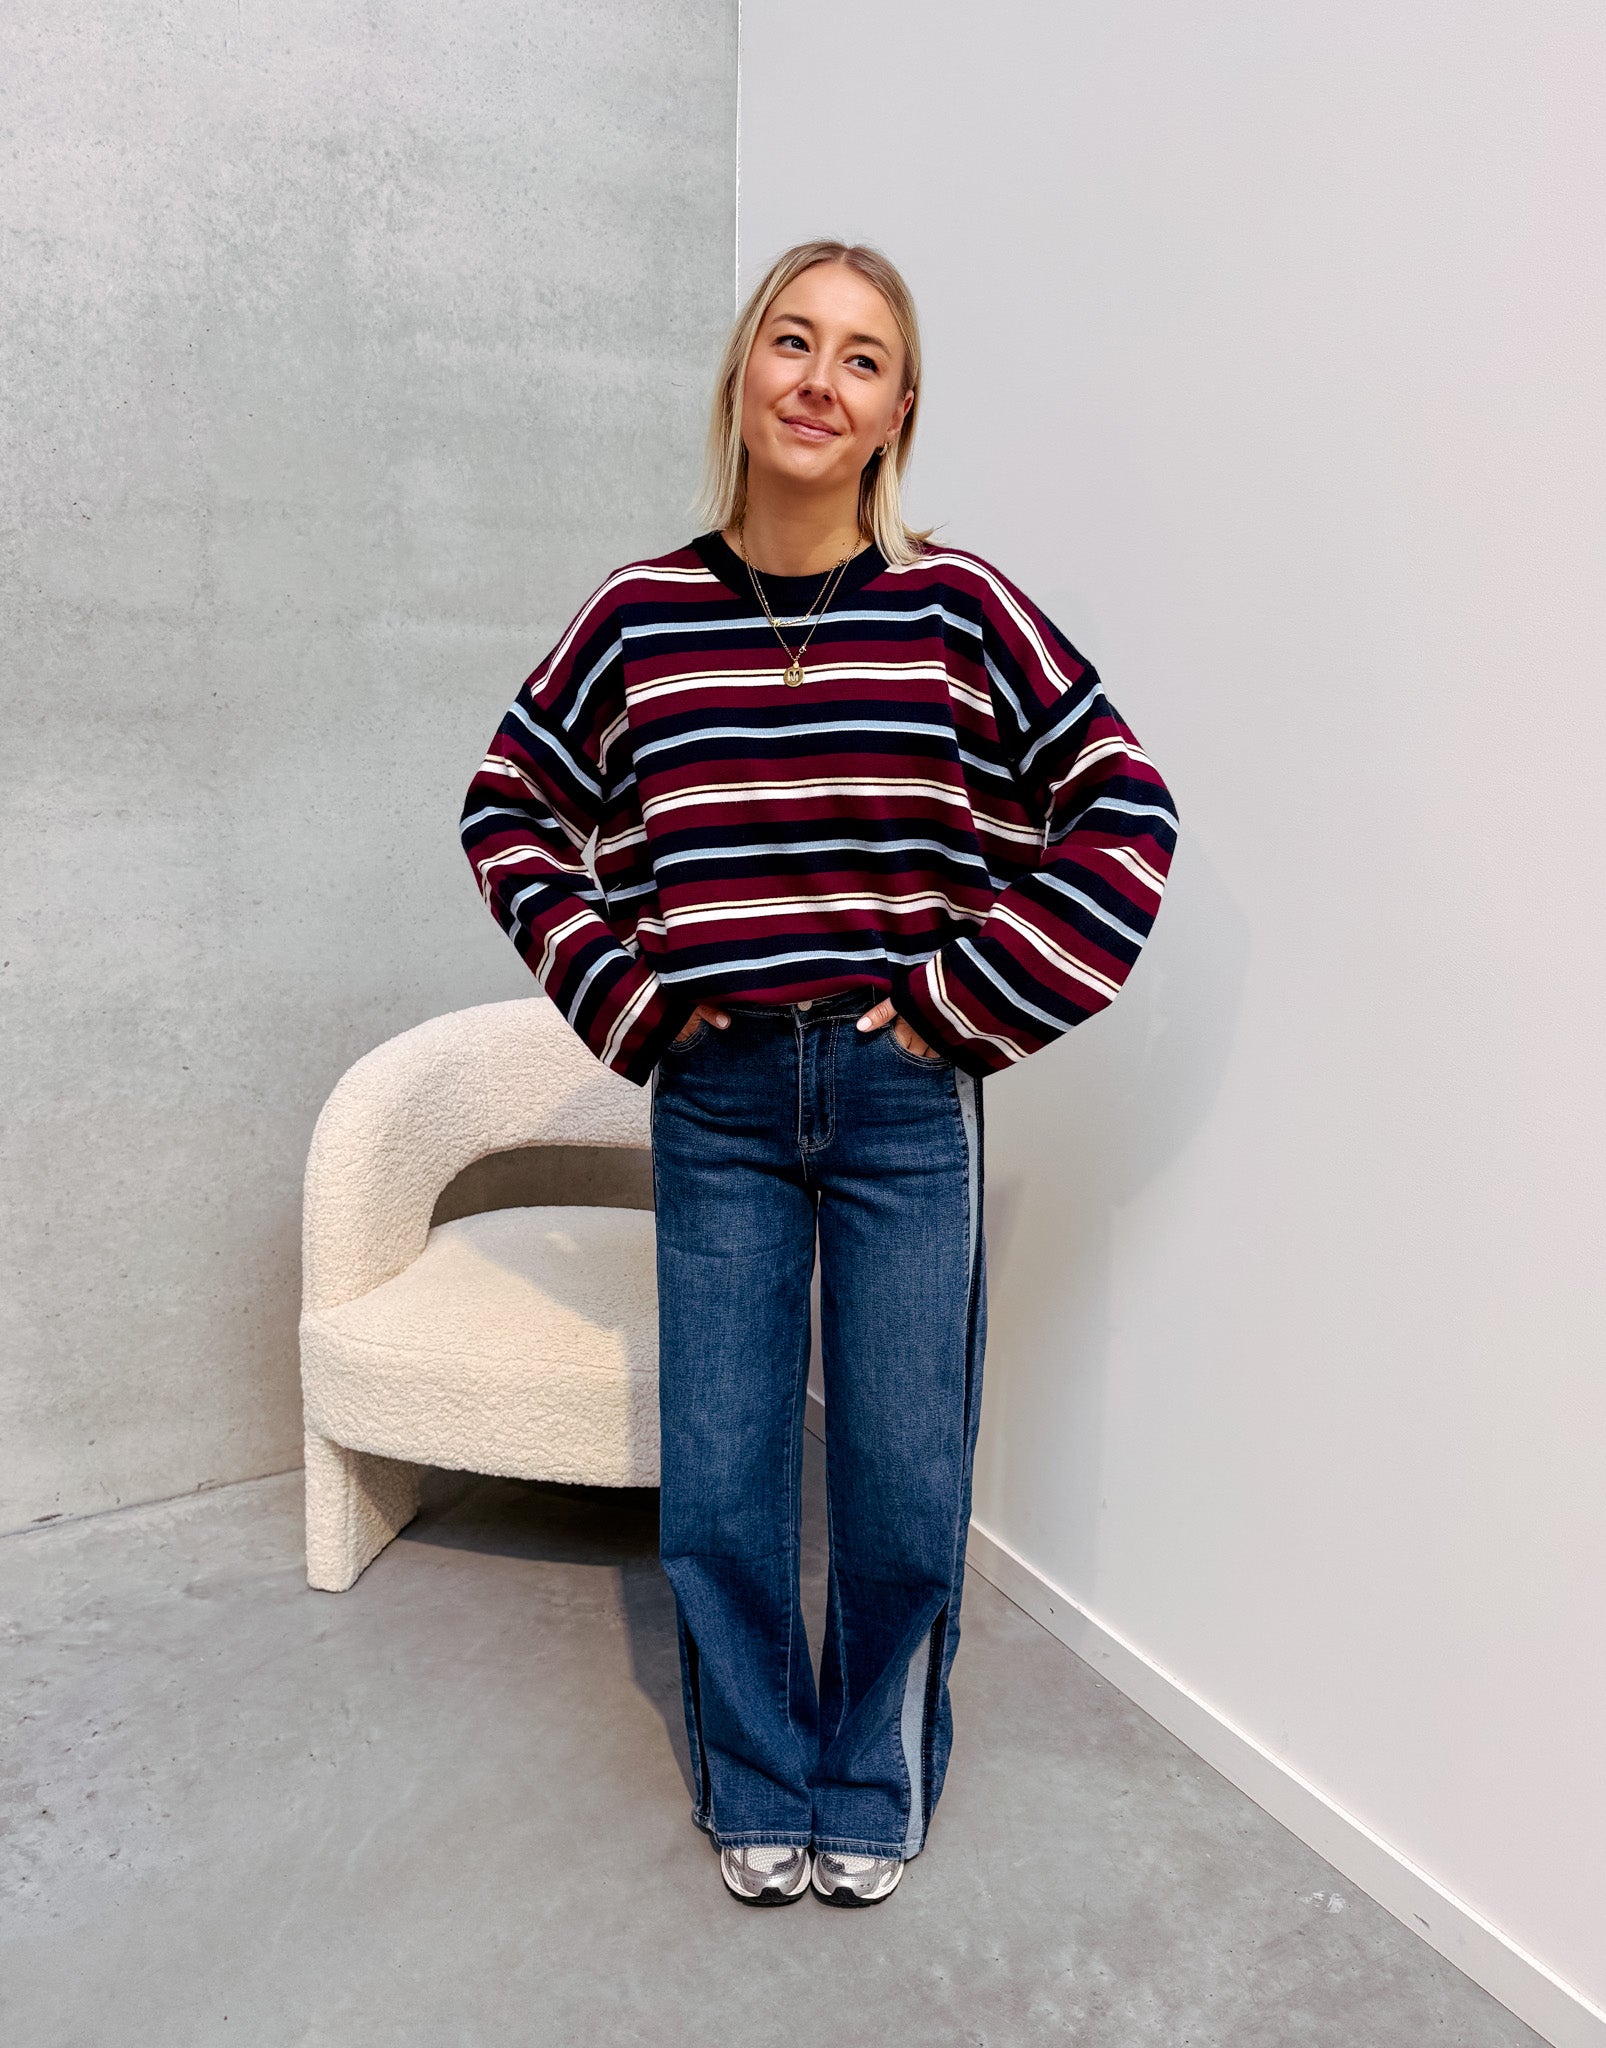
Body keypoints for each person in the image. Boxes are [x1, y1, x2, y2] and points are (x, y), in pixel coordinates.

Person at [459, 240, 1178, 1908]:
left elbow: (1120, 811)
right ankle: (756, 1773)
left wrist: (959, 1003)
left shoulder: (955, 608)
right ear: (741, 374)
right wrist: (629, 998)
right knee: (722, 1474)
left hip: (899, 1102)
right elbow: (510, 804)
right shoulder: (640, 616)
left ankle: (867, 1774)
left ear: (895, 412)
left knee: (900, 1472)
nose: (818, 380)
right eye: (792, 341)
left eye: (861, 359)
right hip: (713, 1097)